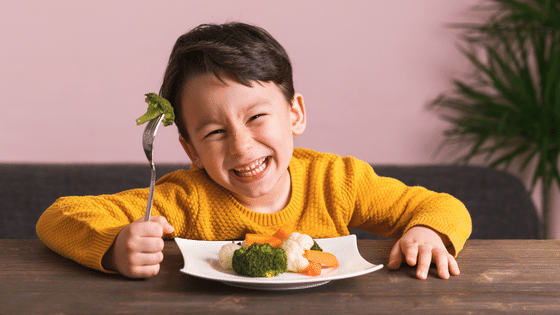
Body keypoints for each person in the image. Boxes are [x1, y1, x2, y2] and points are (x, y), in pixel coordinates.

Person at [36, 22, 471, 280]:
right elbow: (58, 217)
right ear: (190, 149)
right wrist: (114, 247)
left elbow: (441, 205)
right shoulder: (183, 200)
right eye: (213, 132)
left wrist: (429, 232)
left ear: (295, 113)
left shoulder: (338, 182)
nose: (242, 146)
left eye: (256, 117)